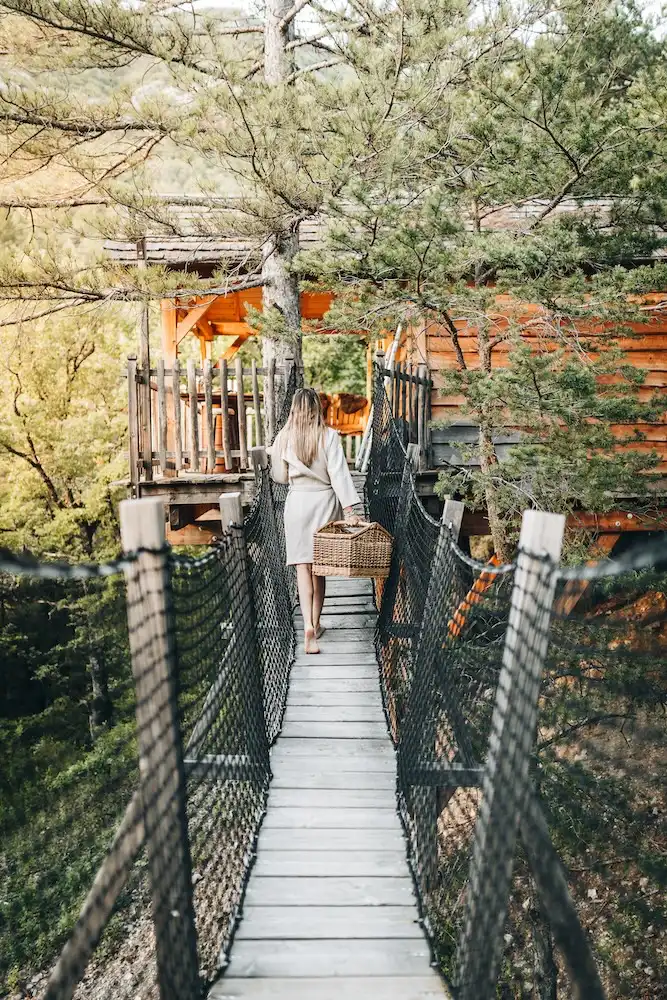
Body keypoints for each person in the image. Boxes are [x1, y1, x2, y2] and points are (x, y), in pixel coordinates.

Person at [269, 388, 362, 654]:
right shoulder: (329, 436)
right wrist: (350, 511)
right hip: (324, 503)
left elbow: (280, 477)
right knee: (319, 567)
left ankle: (307, 624)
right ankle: (317, 622)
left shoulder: (283, 438)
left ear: (295, 409)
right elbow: (339, 475)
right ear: (316, 409)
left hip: (298, 502)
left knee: (302, 567)